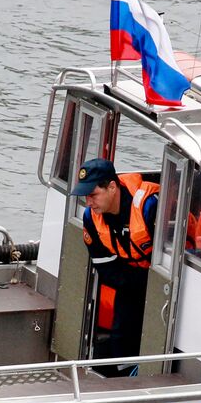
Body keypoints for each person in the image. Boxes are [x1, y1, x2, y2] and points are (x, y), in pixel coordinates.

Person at [72, 158, 159, 375]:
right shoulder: (91, 219)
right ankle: (125, 378)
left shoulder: (150, 207)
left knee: (156, 333)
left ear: (112, 187)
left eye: (93, 195)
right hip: (129, 280)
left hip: (160, 281)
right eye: (85, 196)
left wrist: (150, 287)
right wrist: (133, 285)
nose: (88, 202)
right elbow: (103, 264)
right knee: (121, 333)